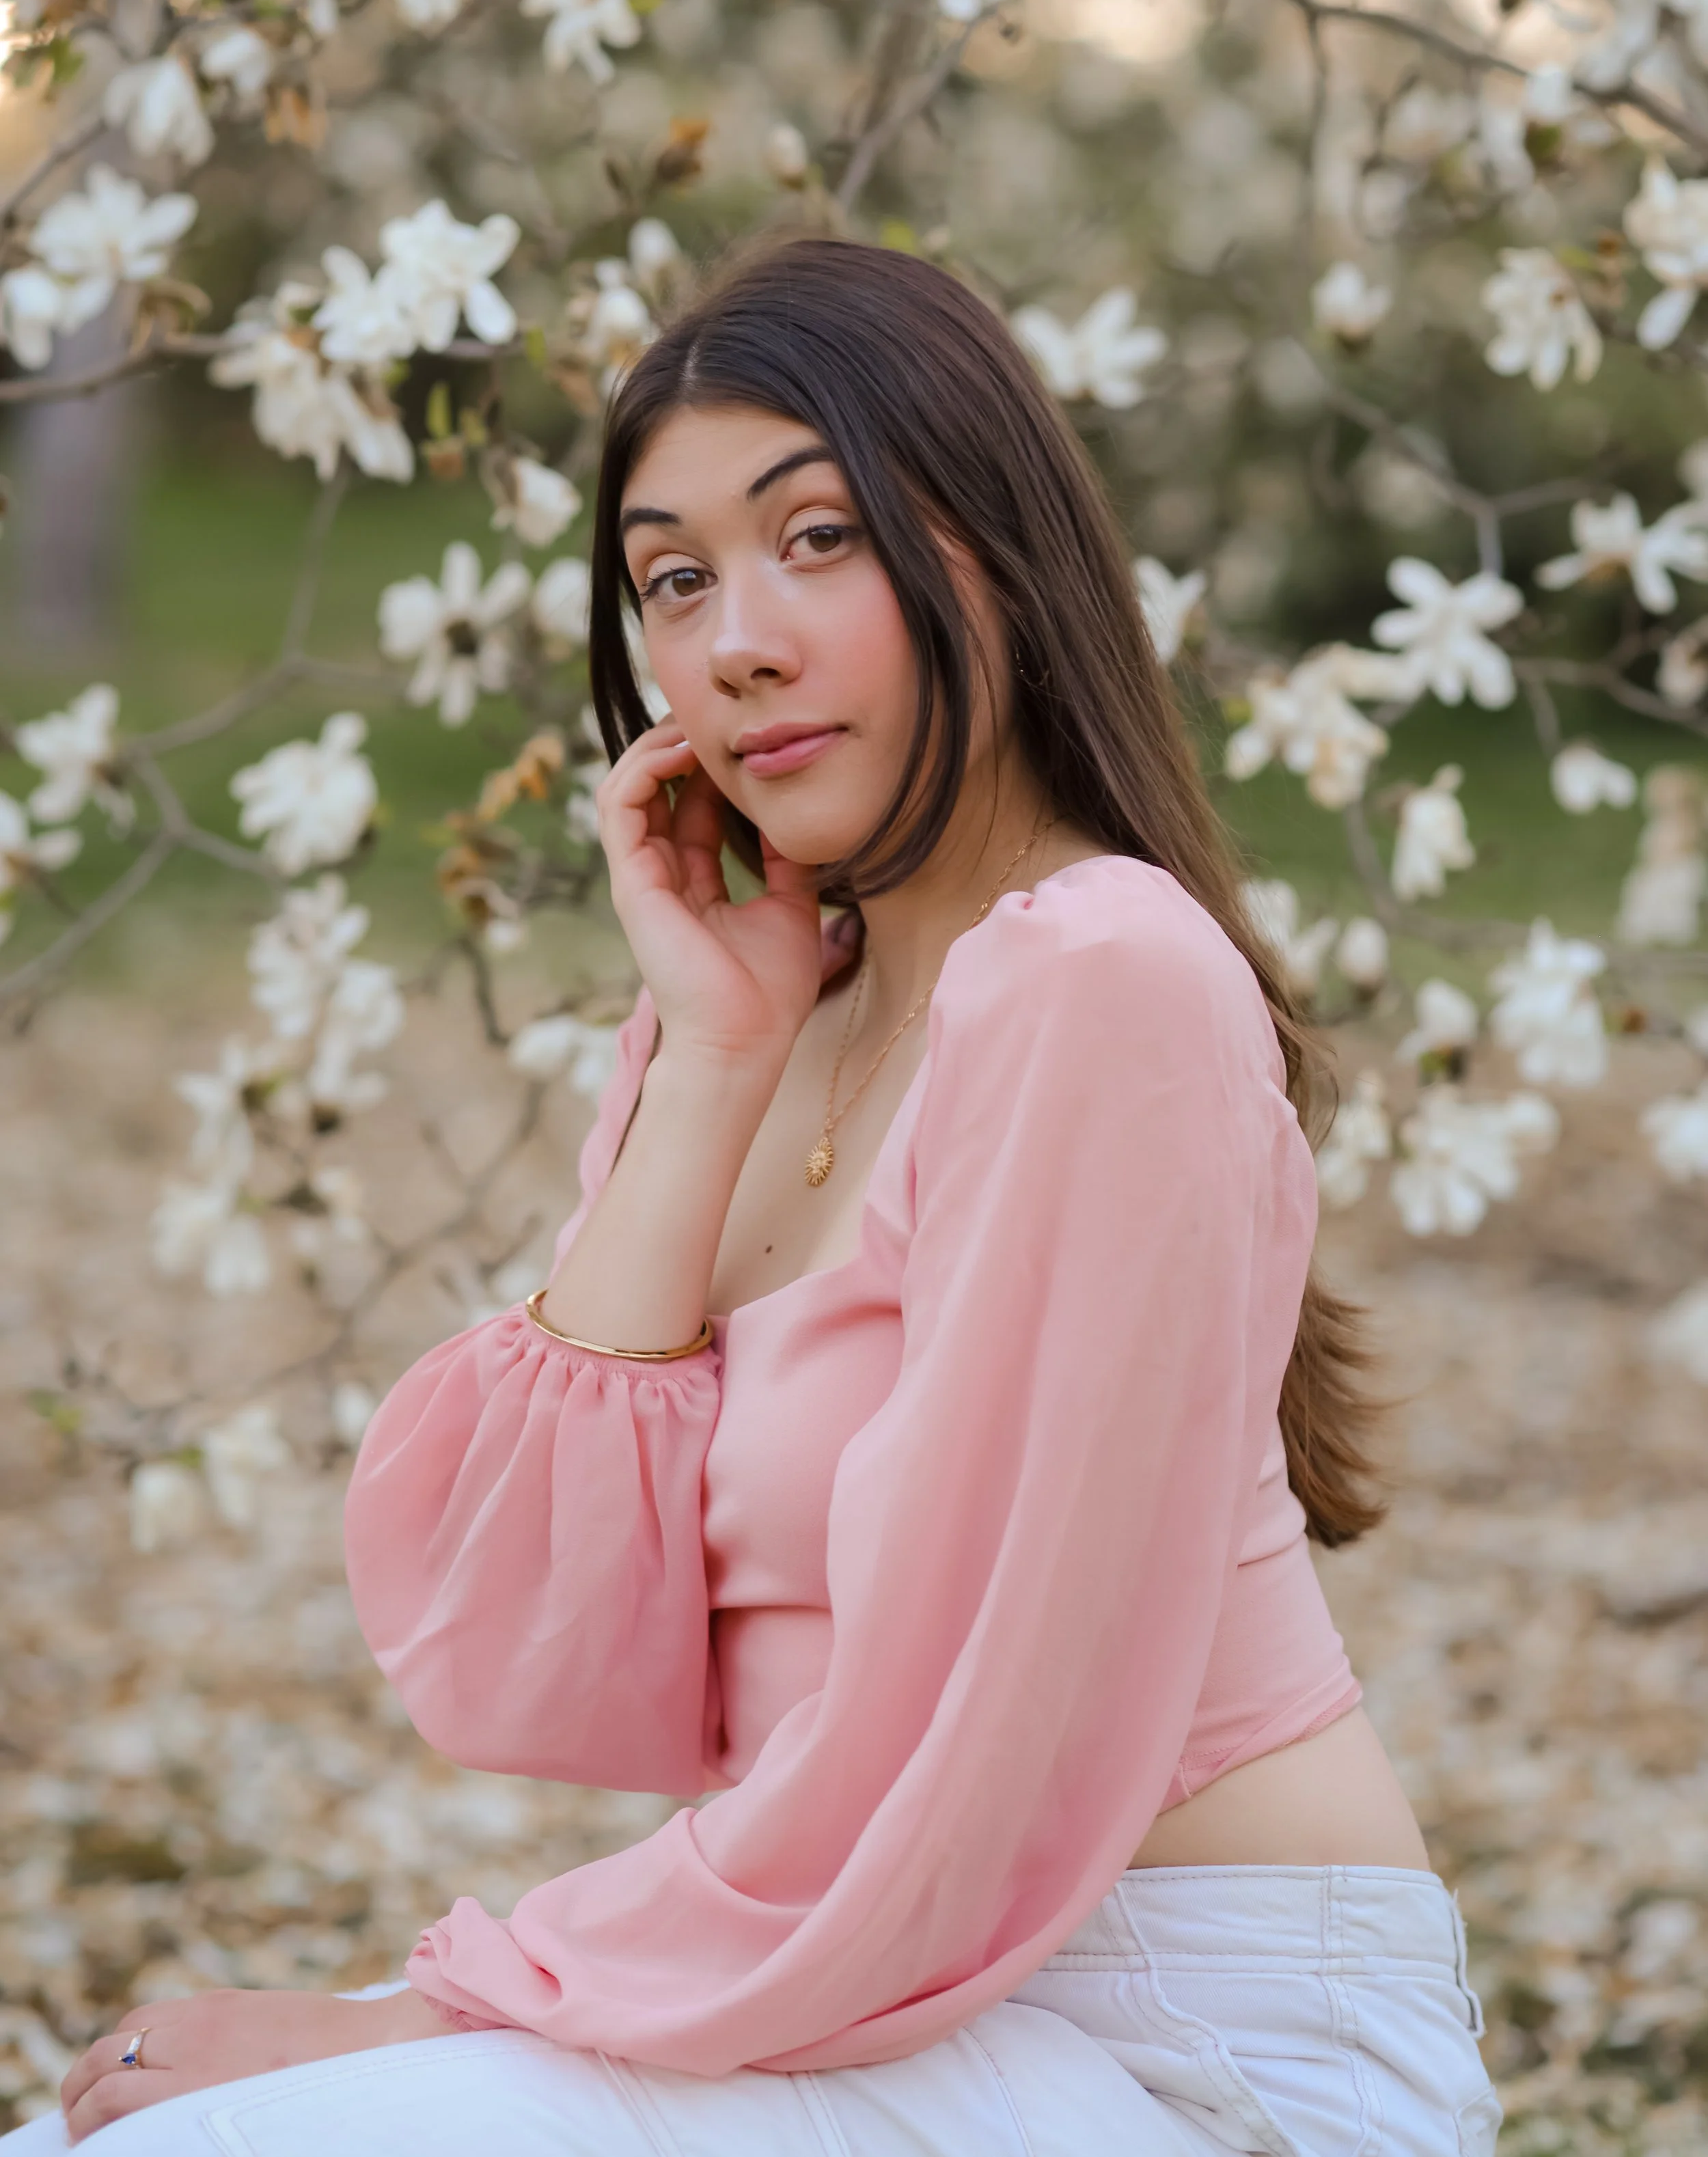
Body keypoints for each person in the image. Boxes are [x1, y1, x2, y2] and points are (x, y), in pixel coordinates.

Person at [44, 239, 1503, 2153]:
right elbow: (524, 1656)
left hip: (1199, 2048)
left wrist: (401, 2020)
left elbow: (951, 1759)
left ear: (990, 548)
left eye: (816, 539)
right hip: (877, 1998)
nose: (735, 639)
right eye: (672, 577)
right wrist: (716, 1057)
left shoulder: (1104, 981)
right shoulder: (750, 1027)